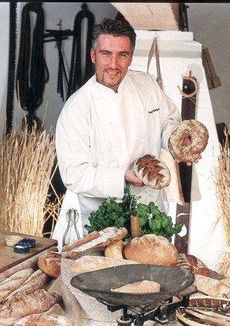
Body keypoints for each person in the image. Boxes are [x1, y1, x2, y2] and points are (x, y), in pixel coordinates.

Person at [53, 18, 200, 246]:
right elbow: (73, 174)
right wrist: (122, 176)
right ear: (93, 55)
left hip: (152, 214)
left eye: (122, 54)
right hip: (103, 223)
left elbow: (168, 121)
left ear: (131, 56)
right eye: (106, 54)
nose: (114, 64)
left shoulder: (147, 84)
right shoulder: (76, 109)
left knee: (153, 278)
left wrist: (177, 140)